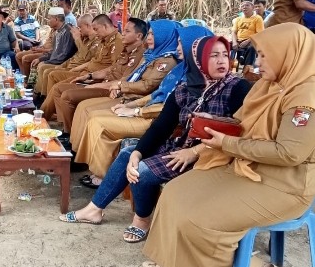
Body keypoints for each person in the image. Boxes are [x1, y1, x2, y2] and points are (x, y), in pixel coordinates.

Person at [142, 24, 315, 267]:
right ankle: (175, 262)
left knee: (201, 218)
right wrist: (214, 123)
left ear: (288, 54)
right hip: (247, 167)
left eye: (264, 55)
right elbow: (243, 123)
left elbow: (289, 153)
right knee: (175, 192)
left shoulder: (306, 97)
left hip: (284, 185)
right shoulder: (269, 85)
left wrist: (227, 143)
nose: (258, 62)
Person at [61, 36, 251, 246]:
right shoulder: (185, 89)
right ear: (197, 59)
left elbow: (240, 131)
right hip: (181, 147)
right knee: (128, 154)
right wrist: (138, 153)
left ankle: (142, 219)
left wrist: (194, 152)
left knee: (142, 172)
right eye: (213, 55)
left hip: (212, 156)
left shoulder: (237, 88)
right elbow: (161, 127)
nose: (222, 60)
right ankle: (94, 209)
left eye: (224, 54)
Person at [74, 25, 214, 185]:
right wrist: (131, 105)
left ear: (194, 45)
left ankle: (101, 176)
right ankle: (89, 165)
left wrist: (136, 110)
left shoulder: (193, 76)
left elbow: (166, 109)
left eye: (182, 43)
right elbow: (156, 94)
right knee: (92, 114)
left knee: (99, 123)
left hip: (157, 120)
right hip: (149, 111)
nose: (177, 47)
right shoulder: (181, 68)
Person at [66, 20, 181, 151]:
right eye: (149, 34)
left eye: (153, 35)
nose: (148, 38)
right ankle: (75, 148)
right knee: (84, 107)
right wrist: (118, 85)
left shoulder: (167, 61)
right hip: (127, 96)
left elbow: (148, 86)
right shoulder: (150, 55)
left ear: (164, 36)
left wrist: (121, 86)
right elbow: (132, 76)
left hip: (138, 103)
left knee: (92, 115)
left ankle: (79, 154)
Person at [51, 18, 147, 135]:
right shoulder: (126, 50)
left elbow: (124, 81)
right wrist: (90, 76)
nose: (123, 33)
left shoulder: (140, 54)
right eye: (124, 30)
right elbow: (110, 69)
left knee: (68, 95)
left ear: (139, 36)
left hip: (111, 89)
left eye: (127, 31)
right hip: (102, 81)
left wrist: (94, 85)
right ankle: (63, 127)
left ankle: (68, 133)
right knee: (59, 87)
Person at [38, 14, 122, 116]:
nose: (95, 32)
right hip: (86, 73)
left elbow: (114, 68)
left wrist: (92, 77)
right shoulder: (103, 40)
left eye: (96, 29)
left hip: (96, 79)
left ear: (104, 26)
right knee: (55, 81)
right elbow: (92, 61)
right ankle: (45, 112)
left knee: (58, 87)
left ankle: (43, 115)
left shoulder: (116, 41)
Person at [37, 14, 98, 96]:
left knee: (51, 73)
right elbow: (74, 56)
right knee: (45, 69)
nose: (79, 30)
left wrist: (77, 39)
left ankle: (44, 98)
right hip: (69, 65)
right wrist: (62, 66)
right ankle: (41, 95)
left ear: (87, 25)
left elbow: (87, 58)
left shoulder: (96, 41)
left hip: (78, 70)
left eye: (80, 27)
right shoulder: (85, 39)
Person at [30, 8, 76, 84]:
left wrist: (48, 62)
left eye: (49, 18)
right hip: (55, 61)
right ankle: (32, 87)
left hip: (63, 64)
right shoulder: (57, 32)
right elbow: (54, 51)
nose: (48, 21)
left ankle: (40, 91)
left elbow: (65, 55)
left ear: (56, 19)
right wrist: (40, 59)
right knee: (36, 62)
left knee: (42, 66)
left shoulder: (68, 31)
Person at [231, 0, 264, 67]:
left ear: (253, 8)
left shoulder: (258, 18)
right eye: (242, 6)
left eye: (247, 5)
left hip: (251, 41)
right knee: (225, 45)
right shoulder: (238, 19)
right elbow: (234, 32)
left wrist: (247, 41)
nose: (244, 7)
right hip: (238, 41)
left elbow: (259, 34)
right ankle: (229, 67)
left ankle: (248, 68)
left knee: (252, 47)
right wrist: (234, 42)